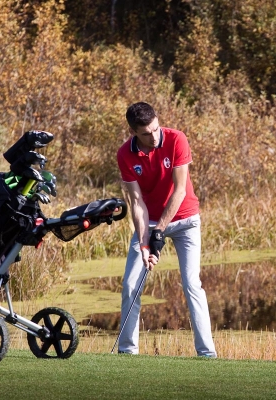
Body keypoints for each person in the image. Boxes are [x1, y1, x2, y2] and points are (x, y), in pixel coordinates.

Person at [116, 101, 217, 357]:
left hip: (186, 220)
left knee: (192, 284)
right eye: (146, 133)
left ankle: (207, 354)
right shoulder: (125, 155)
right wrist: (144, 241)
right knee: (130, 285)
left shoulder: (176, 139)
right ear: (133, 132)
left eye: (155, 129)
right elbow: (137, 202)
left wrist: (159, 231)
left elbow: (180, 190)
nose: (153, 136)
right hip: (148, 221)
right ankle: (127, 352)